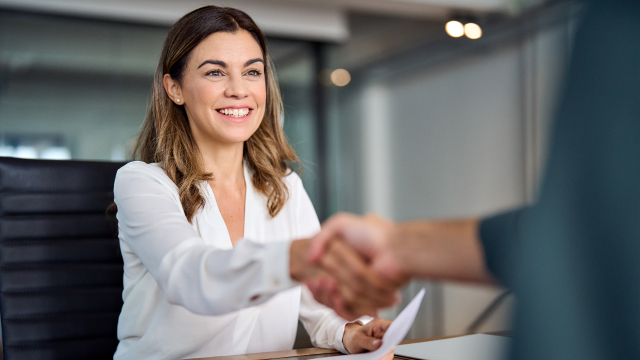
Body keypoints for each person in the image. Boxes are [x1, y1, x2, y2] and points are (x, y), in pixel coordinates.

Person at [307, 0, 640, 359]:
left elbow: (583, 236)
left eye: (254, 72)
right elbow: (578, 228)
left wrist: (393, 250)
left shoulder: (619, 24)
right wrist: (396, 246)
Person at [112, 6, 394, 360]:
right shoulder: (143, 183)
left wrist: (351, 331)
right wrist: (293, 259)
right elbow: (190, 279)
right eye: (215, 72)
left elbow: (314, 300)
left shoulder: (283, 186)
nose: (238, 90)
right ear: (175, 88)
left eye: (252, 72)